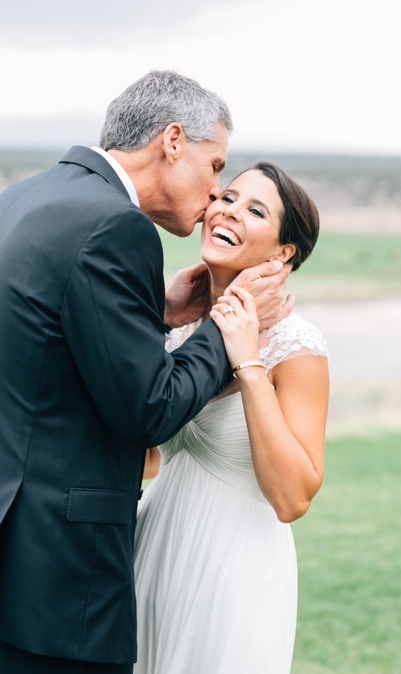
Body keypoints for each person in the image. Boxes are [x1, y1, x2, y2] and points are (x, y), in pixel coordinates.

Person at [0, 71, 291, 673]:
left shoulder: (24, 198)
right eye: (216, 168)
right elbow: (148, 408)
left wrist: (151, 311)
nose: (216, 195)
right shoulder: (118, 225)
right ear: (174, 141)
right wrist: (226, 324)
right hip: (61, 577)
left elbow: (36, 338)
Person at [133, 162, 328, 674]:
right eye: (228, 197)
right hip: (152, 546)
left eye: (256, 210)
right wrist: (160, 320)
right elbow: (147, 456)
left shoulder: (297, 346)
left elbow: (293, 497)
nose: (229, 211)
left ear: (284, 252)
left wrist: (247, 360)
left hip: (235, 568)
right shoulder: (179, 332)